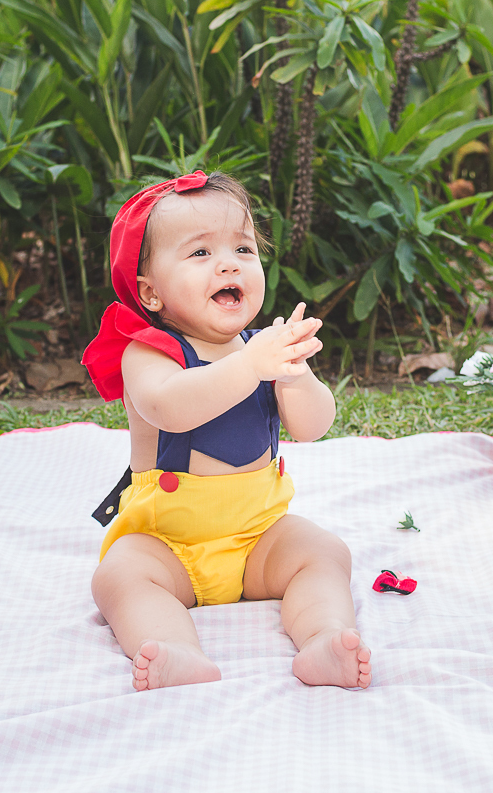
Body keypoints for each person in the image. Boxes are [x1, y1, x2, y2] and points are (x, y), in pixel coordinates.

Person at [82, 170, 370, 691]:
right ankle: (173, 648)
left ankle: (324, 637)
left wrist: (295, 375)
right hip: (169, 543)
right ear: (150, 292)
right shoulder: (147, 353)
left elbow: (312, 427)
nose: (229, 263)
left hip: (258, 536)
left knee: (325, 552)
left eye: (243, 248)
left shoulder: (262, 348)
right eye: (200, 253)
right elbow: (170, 408)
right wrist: (253, 365)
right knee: (119, 576)